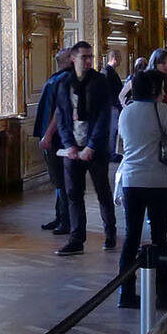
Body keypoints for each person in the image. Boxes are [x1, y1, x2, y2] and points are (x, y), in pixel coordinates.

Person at [116, 69, 167, 311]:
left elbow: (122, 144)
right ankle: (163, 293)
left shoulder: (126, 112)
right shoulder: (160, 110)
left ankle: (126, 292)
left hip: (131, 181)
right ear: (155, 89)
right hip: (157, 181)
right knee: (159, 237)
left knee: (131, 237)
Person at [54, 41, 116, 255]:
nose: (89, 61)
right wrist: (69, 144)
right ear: (73, 58)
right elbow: (61, 117)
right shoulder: (64, 83)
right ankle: (76, 238)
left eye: (91, 56)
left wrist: (91, 145)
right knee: (73, 194)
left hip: (95, 148)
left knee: (103, 192)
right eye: (84, 57)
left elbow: (103, 117)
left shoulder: (100, 82)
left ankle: (110, 234)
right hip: (72, 147)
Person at [34, 45, 76, 233]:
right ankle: (60, 216)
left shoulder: (66, 78)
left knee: (62, 179)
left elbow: (60, 110)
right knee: (58, 180)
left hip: (58, 137)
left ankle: (66, 220)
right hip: (52, 136)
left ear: (70, 59)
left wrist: (48, 134)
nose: (62, 48)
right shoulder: (57, 77)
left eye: (67, 51)